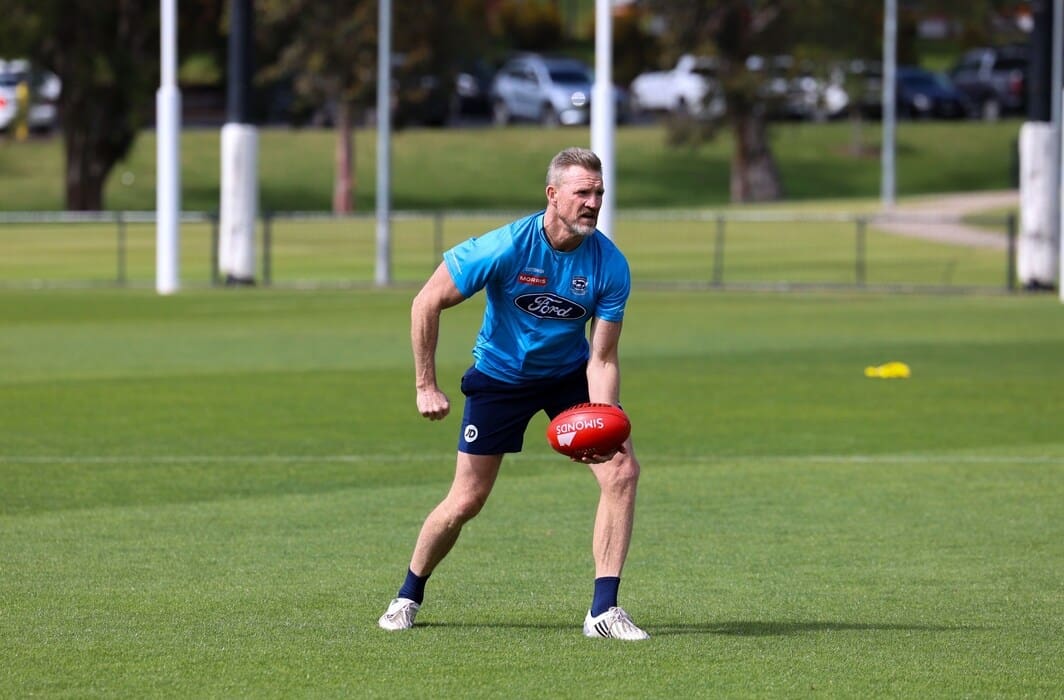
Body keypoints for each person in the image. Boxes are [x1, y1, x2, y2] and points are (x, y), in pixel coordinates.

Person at [378, 147, 648, 641]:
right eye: (582, 192)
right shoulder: (505, 247)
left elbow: (602, 357)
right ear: (553, 195)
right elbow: (427, 301)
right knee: (467, 499)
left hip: (566, 374)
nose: (593, 202)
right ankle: (408, 593)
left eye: (599, 193)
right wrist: (425, 385)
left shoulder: (610, 266)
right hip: (500, 376)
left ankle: (603, 611)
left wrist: (605, 417)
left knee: (623, 470)